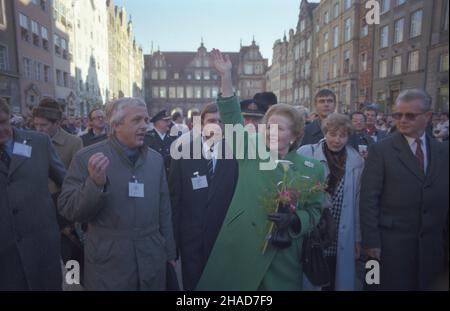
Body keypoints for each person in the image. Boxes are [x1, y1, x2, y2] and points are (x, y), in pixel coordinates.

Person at [196, 49, 325, 291]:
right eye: (267, 126)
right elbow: (233, 118)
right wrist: (226, 77)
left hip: (283, 256)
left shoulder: (313, 169)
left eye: (279, 128)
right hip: (242, 247)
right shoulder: (249, 151)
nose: (269, 131)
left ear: (296, 135)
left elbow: (316, 211)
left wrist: (297, 220)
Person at [58, 97, 176, 290]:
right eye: (136, 120)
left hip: (151, 259)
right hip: (109, 264)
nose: (144, 126)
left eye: (146, 120)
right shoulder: (86, 158)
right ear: (115, 125)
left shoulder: (155, 160)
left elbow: (164, 209)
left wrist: (170, 254)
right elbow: (68, 208)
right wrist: (94, 184)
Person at [360, 89, 449, 290]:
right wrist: (371, 242)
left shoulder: (443, 151)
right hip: (389, 246)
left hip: (431, 249)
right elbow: (368, 199)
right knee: (376, 285)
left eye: (410, 115)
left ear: (427, 116)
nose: (402, 120)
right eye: (397, 115)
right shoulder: (380, 150)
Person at [169, 103, 238, 291]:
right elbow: (175, 201)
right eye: (212, 121)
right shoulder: (182, 153)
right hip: (191, 239)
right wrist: (172, 244)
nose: (216, 125)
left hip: (224, 239)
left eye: (221, 121)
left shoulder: (237, 156)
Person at [0, 97, 66, 290]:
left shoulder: (39, 142)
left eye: (2, 122)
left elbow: (67, 183)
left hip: (42, 247)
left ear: (10, 118)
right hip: (5, 254)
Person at [298, 113, 364, 291]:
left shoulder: (356, 162)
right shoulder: (306, 153)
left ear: (348, 136)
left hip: (341, 233)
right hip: (314, 230)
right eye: (333, 134)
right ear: (324, 133)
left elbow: (358, 204)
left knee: (334, 277)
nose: (337, 140)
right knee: (312, 274)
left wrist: (357, 238)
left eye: (343, 135)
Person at [32, 98, 84, 266]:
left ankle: (74, 284)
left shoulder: (74, 142)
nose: (38, 129)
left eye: (44, 125)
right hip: (37, 210)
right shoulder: (30, 141)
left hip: (62, 211)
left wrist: (68, 219)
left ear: (56, 124)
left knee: (71, 259)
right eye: (36, 125)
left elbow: (78, 180)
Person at [144, 110, 177, 174]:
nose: (169, 123)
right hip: (152, 174)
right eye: (166, 121)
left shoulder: (171, 139)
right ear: (158, 122)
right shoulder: (148, 138)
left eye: (168, 121)